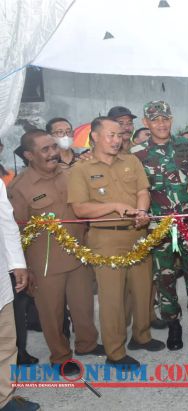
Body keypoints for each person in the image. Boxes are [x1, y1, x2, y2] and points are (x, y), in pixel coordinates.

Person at [68, 116, 165, 367]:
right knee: (112, 299)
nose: (117, 140)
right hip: (106, 238)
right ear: (95, 137)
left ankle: (141, 336)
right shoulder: (81, 169)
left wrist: (142, 212)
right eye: (110, 135)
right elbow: (79, 209)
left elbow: (143, 191)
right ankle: (115, 352)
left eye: (120, 135)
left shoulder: (131, 161)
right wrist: (114, 207)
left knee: (143, 291)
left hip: (137, 234)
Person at [8, 130, 102, 375]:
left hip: (78, 255)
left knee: (83, 306)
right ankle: (60, 357)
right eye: (45, 149)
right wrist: (25, 268)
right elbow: (15, 230)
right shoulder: (20, 187)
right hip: (45, 263)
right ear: (29, 155)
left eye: (54, 147)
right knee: (52, 313)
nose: (53, 153)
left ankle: (87, 344)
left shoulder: (71, 174)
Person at [131, 101, 188, 351]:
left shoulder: (187, 146)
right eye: (155, 119)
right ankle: (174, 324)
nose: (161, 123)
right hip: (159, 226)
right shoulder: (136, 154)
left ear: (171, 119)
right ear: (146, 123)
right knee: (165, 276)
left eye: (165, 118)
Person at [0, 180, 40, 411]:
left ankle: (4, 399)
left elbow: (6, 223)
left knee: (6, 344)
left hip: (2, 283)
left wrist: (17, 263)